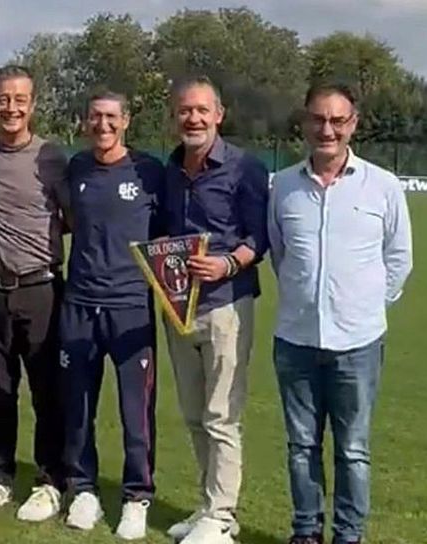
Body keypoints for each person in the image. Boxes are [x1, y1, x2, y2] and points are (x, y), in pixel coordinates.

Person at [268, 83, 412, 544]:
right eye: (318, 119)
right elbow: (279, 252)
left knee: (352, 450)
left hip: (358, 344)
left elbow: (399, 258)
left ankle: (349, 535)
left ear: (353, 124)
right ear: (305, 122)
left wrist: (364, 305)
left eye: (337, 120)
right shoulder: (283, 186)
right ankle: (306, 531)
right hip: (296, 341)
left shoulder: (383, 186)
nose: (326, 129)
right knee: (300, 447)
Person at [161, 76, 270, 544]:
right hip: (178, 307)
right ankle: (209, 506)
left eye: (202, 110)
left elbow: (259, 238)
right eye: (186, 110)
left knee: (221, 415)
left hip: (227, 305)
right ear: (175, 116)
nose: (194, 118)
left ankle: (222, 516)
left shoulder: (245, 167)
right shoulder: (169, 167)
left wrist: (227, 263)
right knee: (192, 413)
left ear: (219, 115)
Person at [58, 90, 166, 540]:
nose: (102, 125)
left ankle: (136, 496)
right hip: (79, 302)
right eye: (94, 117)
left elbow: (168, 238)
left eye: (110, 117)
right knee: (78, 404)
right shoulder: (77, 168)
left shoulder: (149, 172)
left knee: (135, 410)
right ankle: (82, 488)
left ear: (126, 121)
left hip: (130, 306)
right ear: (85, 122)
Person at [0, 65, 69, 522]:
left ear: (33, 104)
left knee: (48, 392)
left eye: (19, 99)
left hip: (40, 288)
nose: (11, 108)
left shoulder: (52, 157)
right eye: (3, 99)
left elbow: (74, 219)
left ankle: (50, 482)